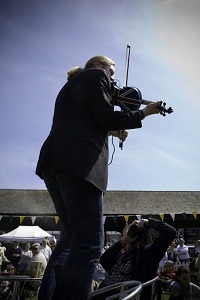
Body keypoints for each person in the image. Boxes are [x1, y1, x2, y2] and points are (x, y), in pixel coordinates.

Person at [35, 55, 162, 300]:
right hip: (80, 166)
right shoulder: (95, 75)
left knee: (70, 238)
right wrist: (145, 112)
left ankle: (49, 296)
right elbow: (104, 116)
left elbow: (89, 121)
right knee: (90, 243)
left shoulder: (72, 85)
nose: (112, 79)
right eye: (111, 73)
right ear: (97, 65)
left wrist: (112, 132)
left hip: (55, 162)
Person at [96, 218, 176, 300]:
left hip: (126, 296)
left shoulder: (147, 254)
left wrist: (148, 222)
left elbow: (170, 232)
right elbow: (103, 260)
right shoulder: (120, 254)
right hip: (103, 293)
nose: (130, 232)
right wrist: (123, 241)